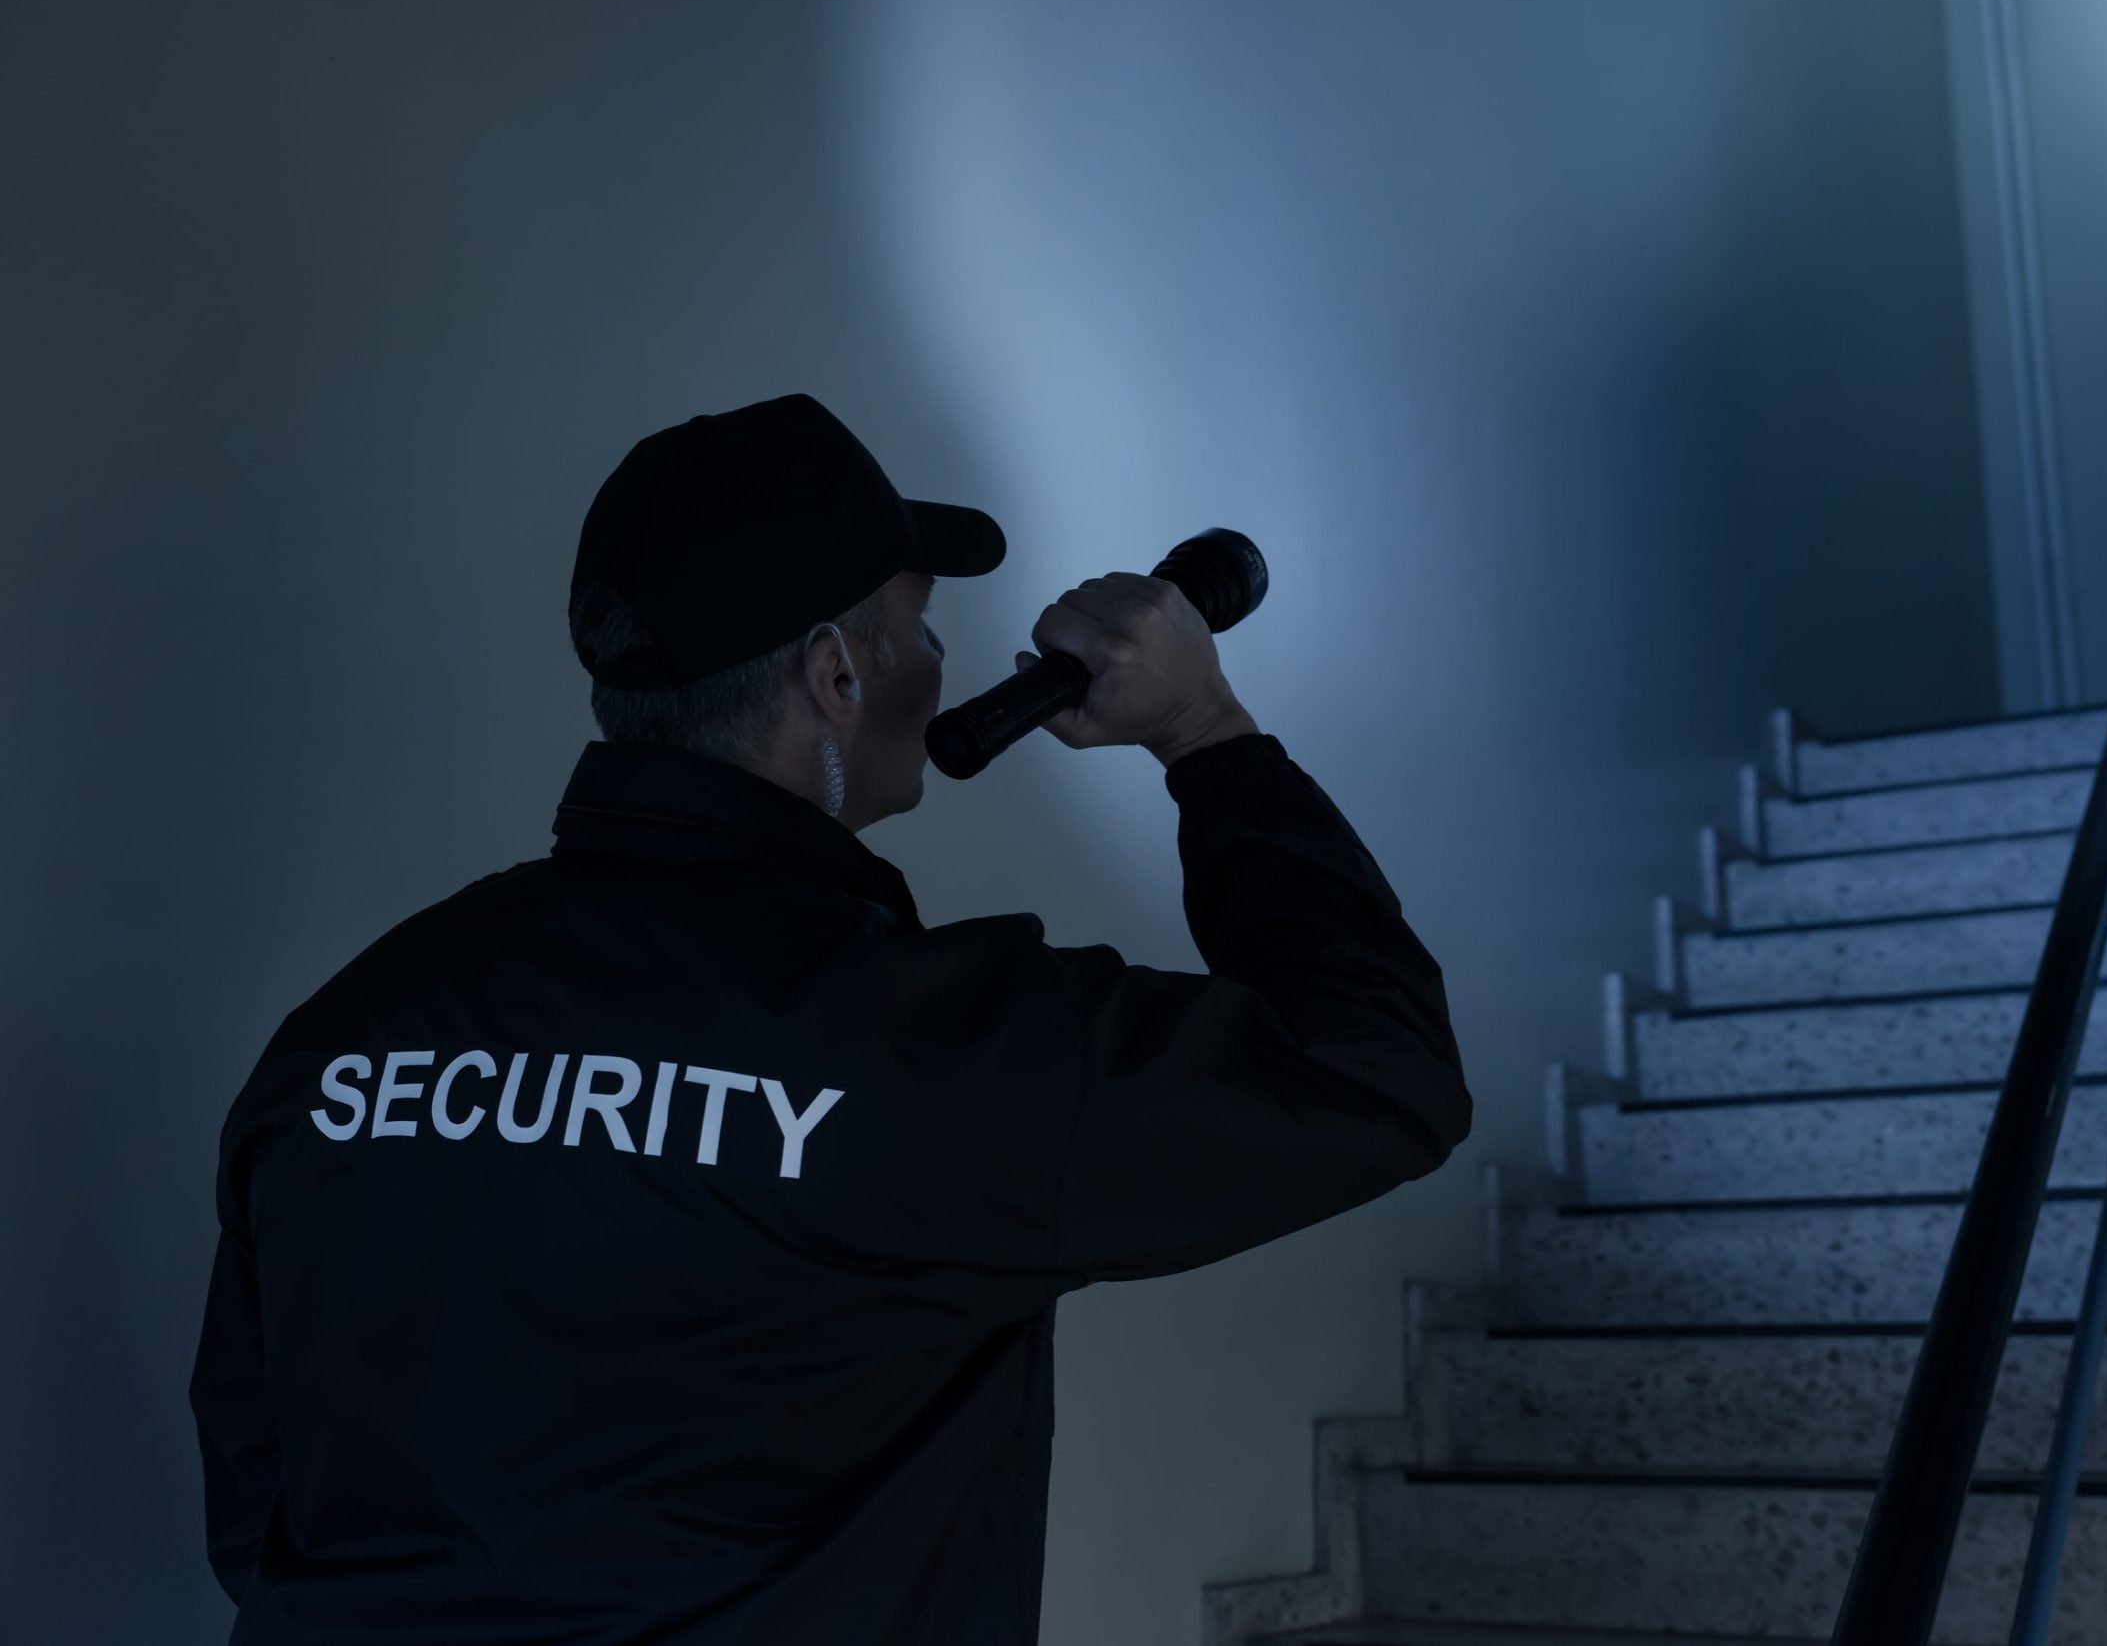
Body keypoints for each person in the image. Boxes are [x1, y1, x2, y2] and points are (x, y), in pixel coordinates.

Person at [188, 391, 1472, 1644]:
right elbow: (1378, 1066)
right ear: (834, 672)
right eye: (918, 623)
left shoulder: (343, 1036)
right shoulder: (930, 1050)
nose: (943, 660)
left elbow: (258, 1489)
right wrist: (1205, 728)